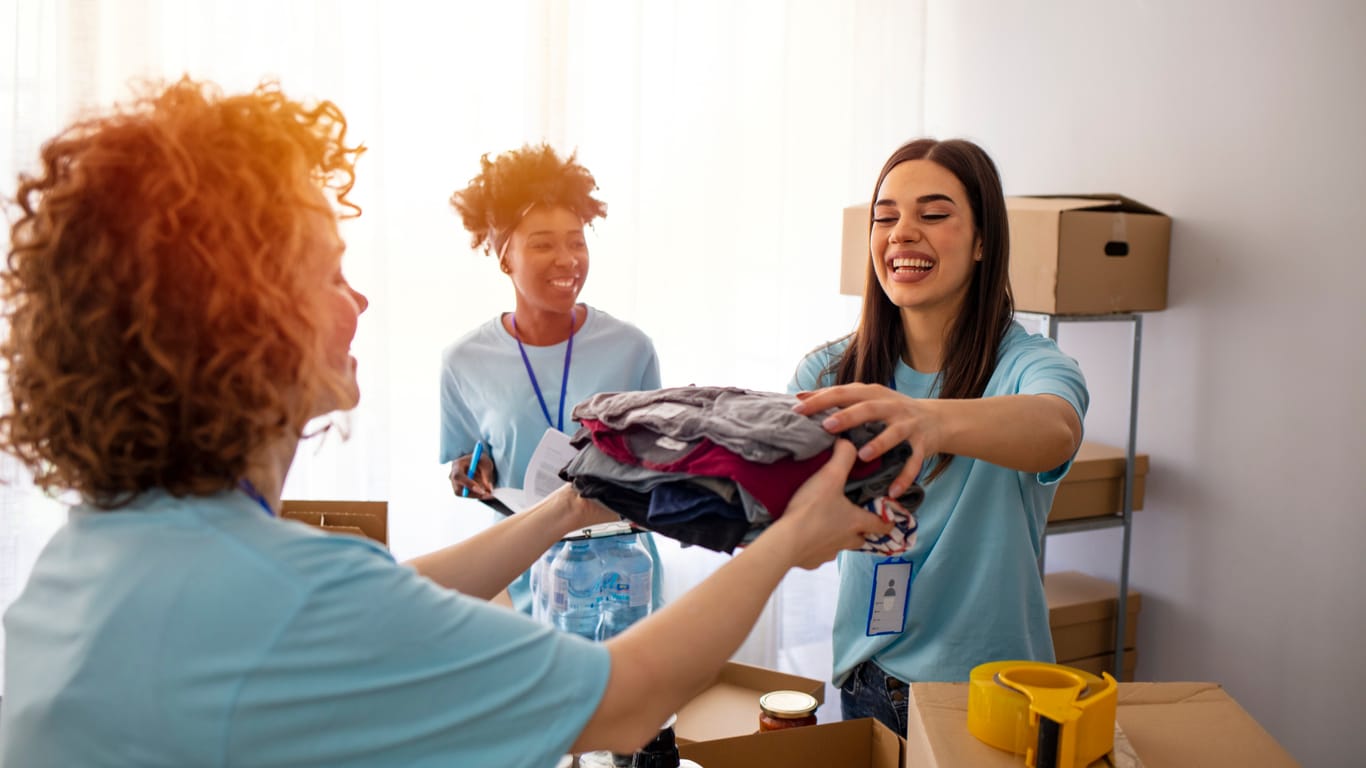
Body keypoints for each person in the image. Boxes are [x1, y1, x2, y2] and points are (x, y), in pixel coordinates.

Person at [0, 77, 891, 767]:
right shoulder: (285, 589)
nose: (359, 297)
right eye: (327, 272)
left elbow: (384, 594)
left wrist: (574, 504)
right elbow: (625, 697)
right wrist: (790, 538)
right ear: (235, 314)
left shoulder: (105, 551)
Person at [787, 138, 1089, 734]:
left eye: (933, 215)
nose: (901, 233)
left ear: (982, 242)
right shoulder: (827, 376)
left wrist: (927, 420)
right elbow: (796, 527)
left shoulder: (1028, 365)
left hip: (991, 694)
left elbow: (1056, 428)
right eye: (886, 216)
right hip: (867, 680)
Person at [442, 143, 663, 616]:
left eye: (576, 241)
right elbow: (464, 465)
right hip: (522, 579)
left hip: (621, 583)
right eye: (543, 243)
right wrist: (467, 475)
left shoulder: (632, 349)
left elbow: (657, 468)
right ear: (505, 258)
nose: (567, 259)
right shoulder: (463, 360)